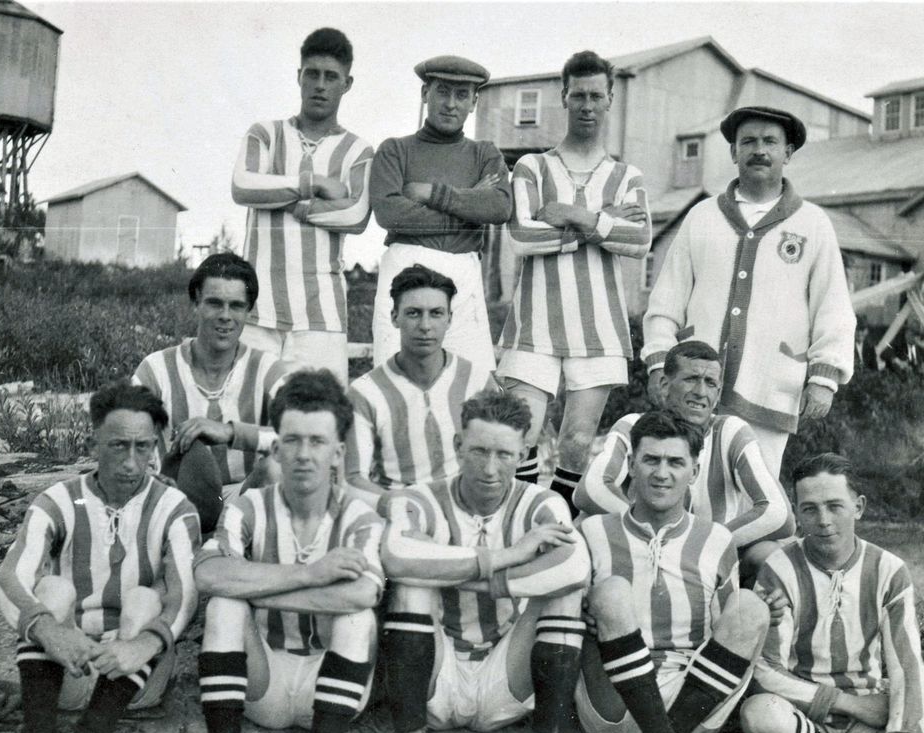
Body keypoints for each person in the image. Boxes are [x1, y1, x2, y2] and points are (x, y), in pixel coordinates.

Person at [643, 105, 856, 477]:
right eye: (749, 142)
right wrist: (660, 363)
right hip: (695, 386)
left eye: (771, 142)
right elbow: (666, 301)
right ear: (733, 152)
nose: (760, 150)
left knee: (754, 491)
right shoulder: (703, 216)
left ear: (787, 153)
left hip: (771, 383)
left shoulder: (812, 223)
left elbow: (834, 308)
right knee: (686, 483)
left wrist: (824, 377)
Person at [0, 382, 201, 733]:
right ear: (93, 445)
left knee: (145, 599)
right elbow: (9, 577)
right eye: (118, 445)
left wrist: (146, 643)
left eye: (143, 447)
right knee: (52, 590)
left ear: (155, 447)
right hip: (65, 663)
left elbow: (186, 593)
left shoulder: (175, 507)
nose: (131, 462)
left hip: (135, 674)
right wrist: (47, 630)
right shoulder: (56, 500)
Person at [380, 390, 590, 733]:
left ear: (523, 454)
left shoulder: (541, 502)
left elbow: (575, 568)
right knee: (412, 586)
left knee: (565, 592)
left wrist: (476, 580)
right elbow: (397, 555)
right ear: (459, 445)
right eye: (479, 451)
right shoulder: (420, 498)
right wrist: (508, 555)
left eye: (504, 454)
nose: (490, 469)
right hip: (436, 676)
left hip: (507, 673)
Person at [194, 370, 383, 733]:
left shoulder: (359, 516)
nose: (304, 455)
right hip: (262, 680)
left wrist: (257, 593)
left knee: (357, 619)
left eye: (317, 442)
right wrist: (311, 573)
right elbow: (208, 574)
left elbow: (361, 595)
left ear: (338, 453)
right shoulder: (249, 507)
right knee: (223, 607)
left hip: (329, 680)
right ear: (276, 448)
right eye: (293, 440)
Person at [496, 51, 651, 510]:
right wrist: (603, 224)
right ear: (563, 97)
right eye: (578, 95)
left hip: (599, 327)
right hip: (534, 323)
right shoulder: (531, 167)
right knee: (520, 433)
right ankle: (522, 519)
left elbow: (639, 240)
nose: (587, 105)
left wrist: (572, 214)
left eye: (596, 96)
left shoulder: (627, 175)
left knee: (578, 443)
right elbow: (523, 235)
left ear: (610, 99)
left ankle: (559, 524)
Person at [576, 410, 770, 733]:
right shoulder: (593, 532)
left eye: (675, 463)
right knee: (612, 591)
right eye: (650, 460)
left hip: (691, 701)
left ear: (693, 471)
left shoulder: (717, 539)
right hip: (613, 701)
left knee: (751, 608)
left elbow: (729, 635)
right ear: (632, 465)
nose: (661, 474)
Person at [741, 453, 924, 733]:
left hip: (869, 713)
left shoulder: (889, 570)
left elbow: (907, 665)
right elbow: (766, 670)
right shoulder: (779, 568)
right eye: (810, 509)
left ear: (858, 507)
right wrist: (847, 703)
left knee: (912, 715)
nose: (824, 521)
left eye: (835, 506)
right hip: (801, 711)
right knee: (760, 713)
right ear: (797, 515)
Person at [574, 340, 794, 576]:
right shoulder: (634, 425)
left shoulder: (730, 431)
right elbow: (590, 489)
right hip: (638, 546)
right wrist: (650, 534)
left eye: (710, 384)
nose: (700, 392)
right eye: (691, 379)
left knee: (769, 554)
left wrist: (700, 543)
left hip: (707, 559)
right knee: (581, 527)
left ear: (718, 394)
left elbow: (779, 514)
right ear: (665, 385)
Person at [231, 28, 374, 385]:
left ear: (348, 83)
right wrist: (315, 185)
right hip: (257, 311)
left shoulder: (358, 150)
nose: (320, 85)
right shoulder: (266, 133)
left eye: (331, 77)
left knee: (318, 423)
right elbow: (243, 186)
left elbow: (355, 215)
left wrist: (292, 202)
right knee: (245, 420)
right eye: (312, 74)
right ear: (299, 76)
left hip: (320, 317)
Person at [369, 55, 512, 374]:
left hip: (464, 272)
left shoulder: (484, 153)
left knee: (473, 389)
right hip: (405, 267)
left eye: (462, 95)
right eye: (442, 91)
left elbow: (499, 207)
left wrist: (430, 193)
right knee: (397, 382)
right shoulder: (395, 150)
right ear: (425, 94)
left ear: (474, 102)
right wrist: (468, 206)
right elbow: (389, 213)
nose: (451, 103)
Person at [133, 253, 292, 533]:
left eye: (237, 306)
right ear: (196, 302)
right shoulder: (156, 369)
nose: (225, 317)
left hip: (247, 496)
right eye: (215, 303)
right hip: (174, 496)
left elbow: (301, 435)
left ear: (249, 311)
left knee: (276, 467)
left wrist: (231, 433)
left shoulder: (268, 369)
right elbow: (125, 435)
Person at [346, 264, 497, 506]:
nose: (425, 326)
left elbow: (499, 462)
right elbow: (354, 479)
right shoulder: (365, 392)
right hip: (399, 513)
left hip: (467, 510)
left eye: (436, 313)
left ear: (449, 319)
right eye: (414, 313)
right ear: (395, 318)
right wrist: (407, 508)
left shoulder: (477, 381)